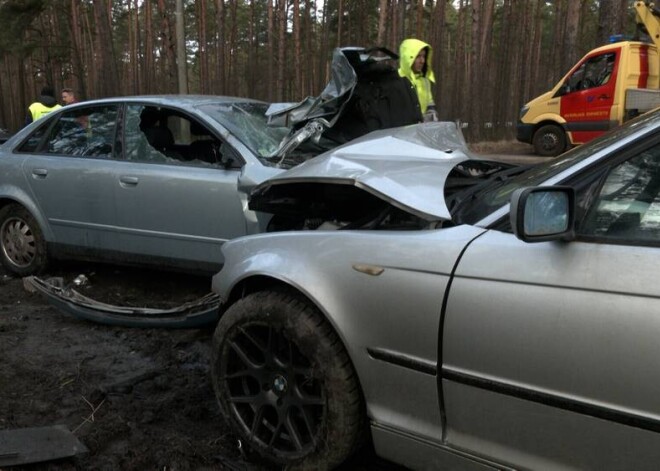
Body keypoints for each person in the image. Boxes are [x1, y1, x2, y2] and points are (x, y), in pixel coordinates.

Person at [398, 38, 437, 121]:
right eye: (418, 56)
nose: (422, 61)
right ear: (408, 58)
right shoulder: (397, 79)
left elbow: (430, 105)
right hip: (402, 132)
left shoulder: (425, 81)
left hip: (421, 131)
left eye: (424, 56)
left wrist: (432, 117)